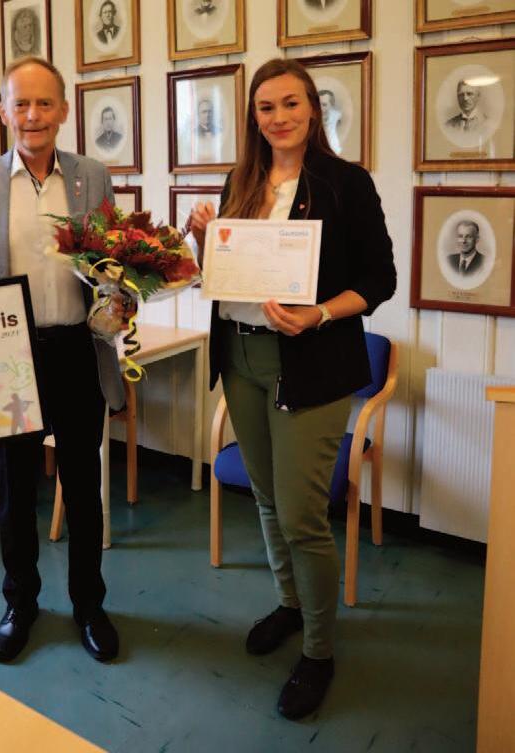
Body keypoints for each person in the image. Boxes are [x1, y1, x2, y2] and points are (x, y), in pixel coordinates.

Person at [190, 58, 395, 720]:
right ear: (253, 118)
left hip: (311, 360)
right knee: (268, 499)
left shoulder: (345, 182)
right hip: (240, 354)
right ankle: (289, 603)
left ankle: (318, 650)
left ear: (313, 109)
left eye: (290, 103)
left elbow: (380, 280)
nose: (278, 117)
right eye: (265, 107)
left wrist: (319, 314)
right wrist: (202, 241)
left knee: (303, 515)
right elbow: (223, 276)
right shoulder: (239, 181)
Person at [0, 56, 125, 665]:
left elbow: (114, 258)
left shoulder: (92, 177)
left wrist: (127, 287)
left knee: (83, 487)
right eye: (21, 103)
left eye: (44, 103)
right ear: (3, 111)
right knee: (14, 490)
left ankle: (89, 604)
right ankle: (21, 604)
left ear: (63, 110)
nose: (32, 115)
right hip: (6, 356)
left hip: (78, 350)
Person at [318, 89, 342, 155]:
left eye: (324, 105)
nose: (320, 108)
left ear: (332, 105)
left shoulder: (337, 116)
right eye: (318, 104)